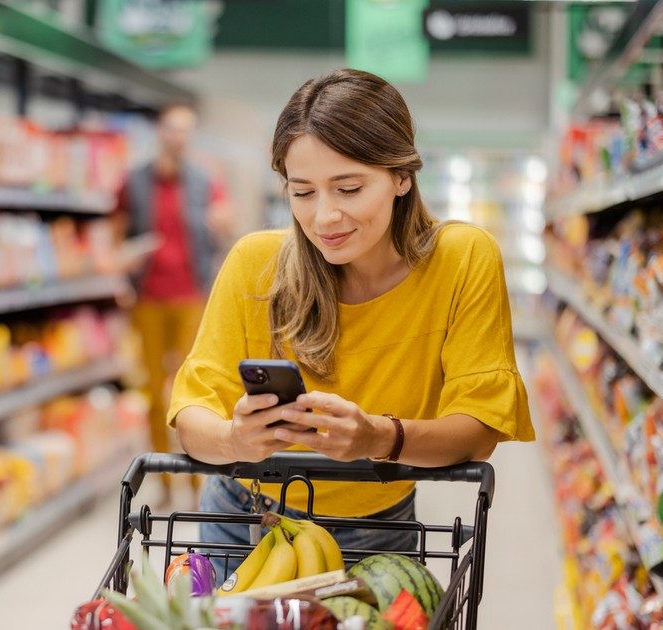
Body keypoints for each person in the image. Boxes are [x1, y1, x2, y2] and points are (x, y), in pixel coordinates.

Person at [166, 69, 535, 582]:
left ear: (402, 176)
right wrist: (235, 441)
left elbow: (479, 431)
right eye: (303, 192)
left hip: (376, 530)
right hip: (240, 520)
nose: (324, 217)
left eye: (348, 188)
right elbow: (191, 415)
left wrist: (376, 437)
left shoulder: (462, 260)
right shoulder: (256, 264)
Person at [119, 103, 233, 505]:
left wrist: (222, 224)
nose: (178, 137)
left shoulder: (205, 181)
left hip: (191, 297)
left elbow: (224, 224)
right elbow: (116, 232)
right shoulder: (134, 181)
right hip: (148, 297)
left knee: (193, 391)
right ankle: (164, 480)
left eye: (186, 130)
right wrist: (123, 261)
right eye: (171, 129)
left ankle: (198, 480)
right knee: (152, 390)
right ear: (159, 132)